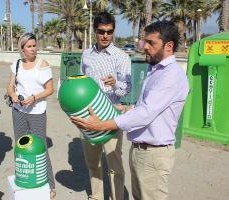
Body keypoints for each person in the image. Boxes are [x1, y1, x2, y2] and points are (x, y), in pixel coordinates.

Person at [71, 20, 189, 200]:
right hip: (141, 151)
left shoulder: (171, 75)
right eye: (145, 42)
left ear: (169, 46)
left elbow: (145, 113)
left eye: (151, 43)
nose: (145, 47)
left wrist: (103, 124)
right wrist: (125, 109)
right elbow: (143, 107)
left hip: (153, 153)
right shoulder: (155, 70)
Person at [80, 11, 131, 200]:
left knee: (115, 167)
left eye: (109, 31)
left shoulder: (121, 57)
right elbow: (82, 82)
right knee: (93, 164)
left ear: (113, 31)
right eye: (101, 31)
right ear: (95, 30)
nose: (105, 36)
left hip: (112, 116)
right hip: (89, 116)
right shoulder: (86, 55)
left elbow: (126, 90)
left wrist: (115, 84)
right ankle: (97, 196)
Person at [7, 32, 56, 199]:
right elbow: (10, 87)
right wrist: (13, 95)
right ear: (22, 49)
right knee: (20, 145)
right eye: (29, 46)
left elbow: (50, 89)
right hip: (18, 111)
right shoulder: (16, 65)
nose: (33, 49)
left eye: (34, 45)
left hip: (37, 112)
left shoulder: (43, 64)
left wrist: (34, 97)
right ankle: (23, 178)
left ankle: (50, 184)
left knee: (41, 147)